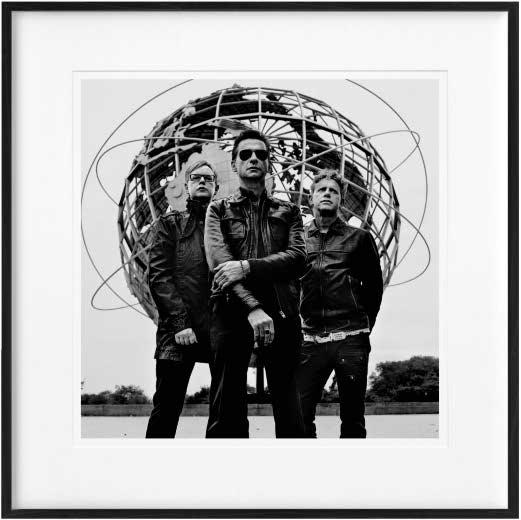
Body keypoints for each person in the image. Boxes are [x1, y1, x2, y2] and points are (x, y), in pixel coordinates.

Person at [204, 129, 307, 438]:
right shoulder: (218, 209)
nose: (253, 159)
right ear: (234, 163)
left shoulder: (289, 211)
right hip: (232, 313)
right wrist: (252, 307)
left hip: (283, 313)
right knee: (227, 414)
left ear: (268, 163)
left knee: (291, 413)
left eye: (260, 154)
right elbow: (220, 266)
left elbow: (298, 257)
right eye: (245, 154)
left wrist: (247, 267)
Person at [297, 169, 383, 438]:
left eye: (333, 191)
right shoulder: (297, 238)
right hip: (309, 339)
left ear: (341, 200)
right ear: (310, 198)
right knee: (299, 416)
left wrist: (362, 327)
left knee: (353, 419)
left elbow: (374, 289)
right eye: (321, 190)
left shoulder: (360, 238)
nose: (327, 194)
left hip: (351, 338)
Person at [145, 160, 218, 438]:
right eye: (196, 178)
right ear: (186, 185)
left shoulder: (225, 227)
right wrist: (180, 323)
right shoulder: (169, 224)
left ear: (216, 187)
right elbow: (159, 277)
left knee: (224, 411)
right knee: (166, 408)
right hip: (177, 332)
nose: (202, 182)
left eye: (208, 179)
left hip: (217, 328)